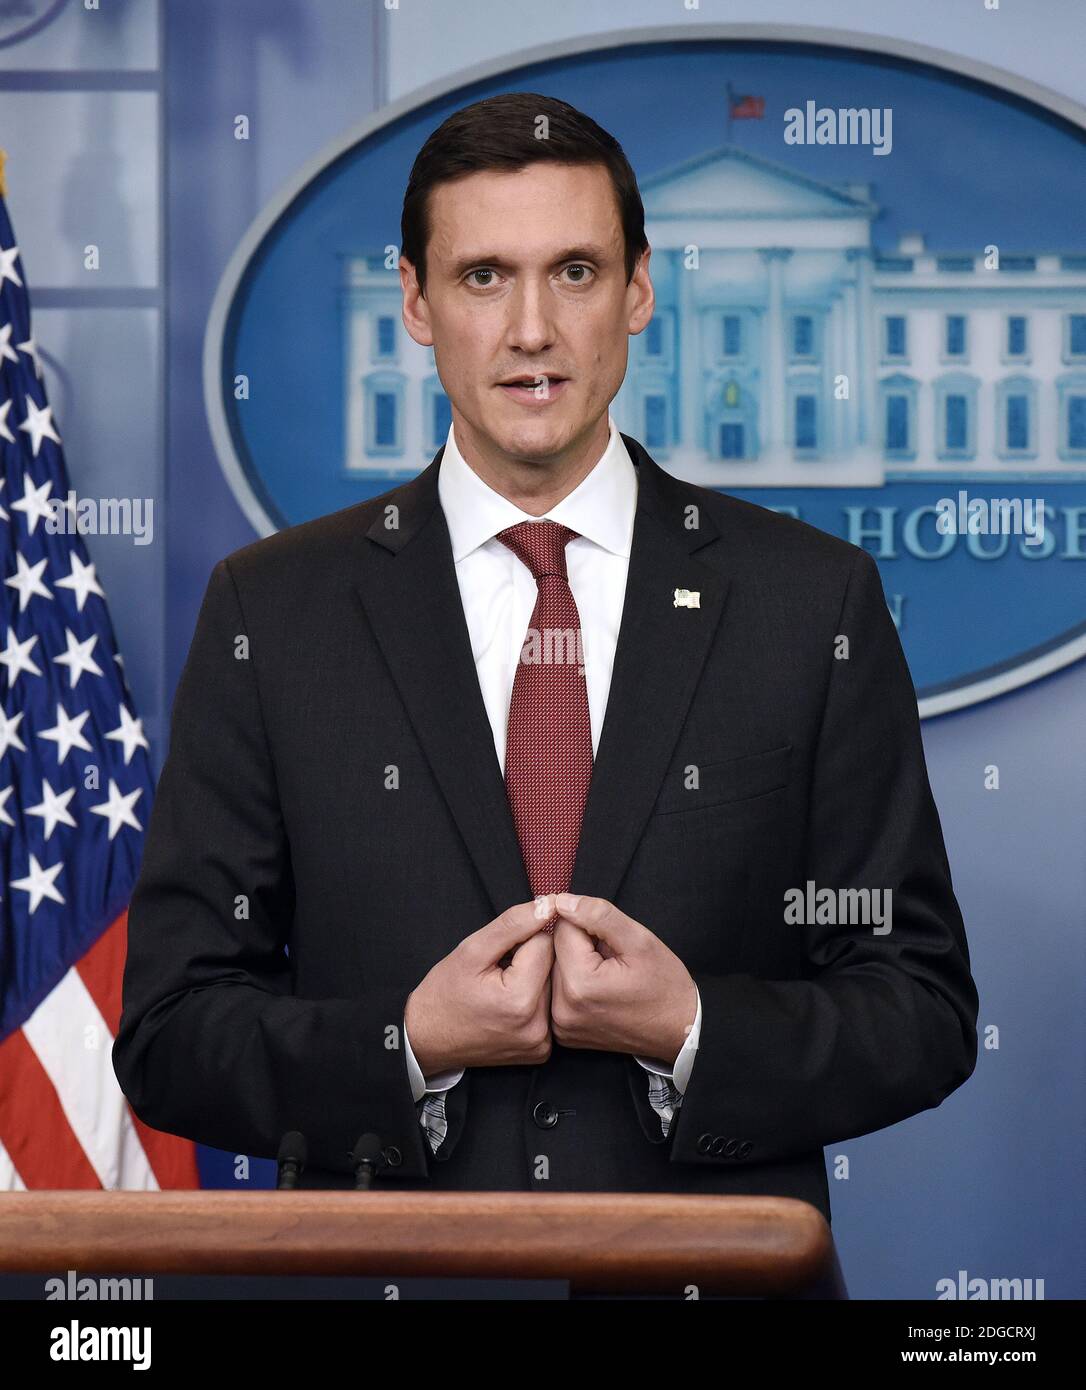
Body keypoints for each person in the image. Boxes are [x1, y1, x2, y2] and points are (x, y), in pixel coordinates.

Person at [113, 92, 978, 1218]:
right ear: (417, 303)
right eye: (483, 277)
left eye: (574, 271)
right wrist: (409, 1043)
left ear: (638, 292)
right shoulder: (274, 610)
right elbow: (172, 1028)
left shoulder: (812, 600)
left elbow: (919, 1004)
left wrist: (696, 1030)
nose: (532, 328)